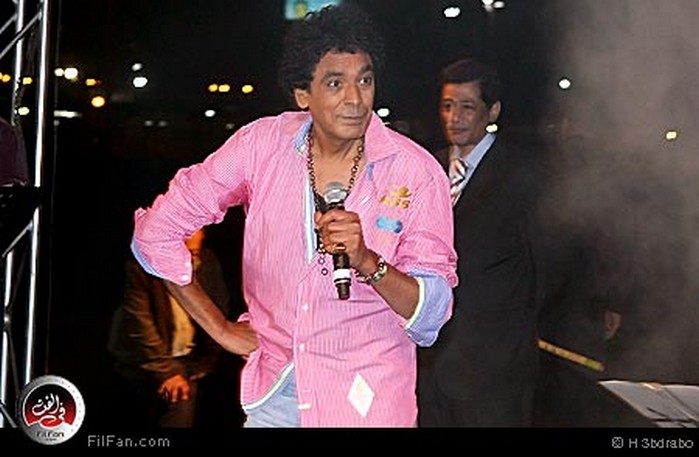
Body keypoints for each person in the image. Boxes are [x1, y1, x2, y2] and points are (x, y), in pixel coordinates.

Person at [129, 3, 456, 428]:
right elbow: (156, 232)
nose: (355, 99)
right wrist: (220, 329)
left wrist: (367, 262)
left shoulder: (416, 172)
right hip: (277, 398)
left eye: (365, 80)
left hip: (367, 404)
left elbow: (431, 314)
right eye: (335, 83)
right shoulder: (260, 147)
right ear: (304, 94)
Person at [417, 57, 548, 427]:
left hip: (494, 369)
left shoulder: (523, 175)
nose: (454, 117)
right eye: (447, 105)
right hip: (431, 365)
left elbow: (546, 265)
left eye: (466, 106)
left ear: (493, 111)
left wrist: (514, 337)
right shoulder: (426, 168)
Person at [107, 228, 231, 427]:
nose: (189, 260)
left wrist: (206, 363)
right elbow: (140, 326)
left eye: (193, 254)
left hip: (191, 358)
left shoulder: (207, 261)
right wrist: (167, 372)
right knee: (179, 397)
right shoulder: (141, 266)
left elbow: (218, 312)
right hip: (149, 358)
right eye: (183, 251)